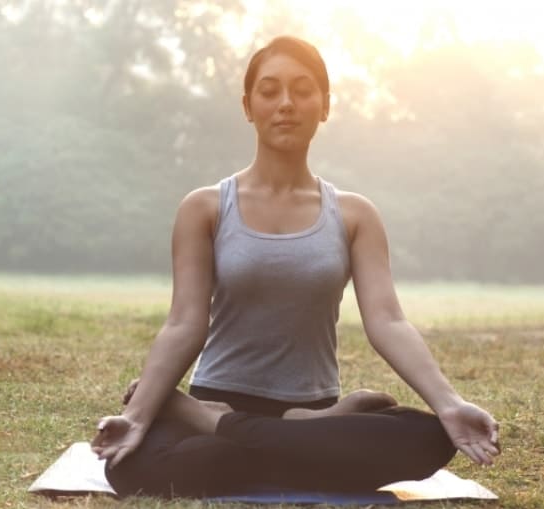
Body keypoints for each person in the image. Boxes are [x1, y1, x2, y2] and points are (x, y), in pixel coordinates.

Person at [91, 35, 500, 498]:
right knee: (149, 466)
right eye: (269, 91)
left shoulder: (354, 214)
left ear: (324, 105)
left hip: (311, 412)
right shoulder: (205, 208)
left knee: (427, 436)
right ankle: (252, 433)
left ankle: (217, 421)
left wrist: (449, 404)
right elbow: (185, 322)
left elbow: (387, 321)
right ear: (248, 106)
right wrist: (139, 416)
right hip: (227, 395)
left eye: (303, 90)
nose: (286, 104)